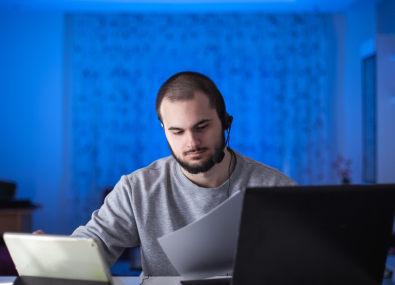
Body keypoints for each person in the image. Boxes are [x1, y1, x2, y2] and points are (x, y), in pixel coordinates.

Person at [34, 71, 296, 276]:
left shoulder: (275, 189)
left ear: (225, 122)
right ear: (163, 130)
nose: (192, 142)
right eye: (177, 132)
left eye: (202, 126)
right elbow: (95, 243)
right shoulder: (137, 189)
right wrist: (56, 256)